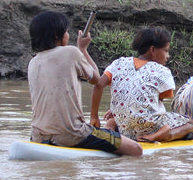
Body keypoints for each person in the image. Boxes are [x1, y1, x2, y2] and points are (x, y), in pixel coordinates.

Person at [26, 11, 142, 156]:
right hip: (72, 133)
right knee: (136, 150)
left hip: (37, 136)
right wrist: (83, 49)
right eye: (66, 31)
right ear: (57, 35)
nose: (68, 35)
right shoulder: (70, 52)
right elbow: (96, 80)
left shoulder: (33, 62)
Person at [90, 27, 193, 142]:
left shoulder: (118, 63)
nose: (168, 56)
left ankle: (109, 129)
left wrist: (94, 116)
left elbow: (99, 85)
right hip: (148, 128)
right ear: (153, 50)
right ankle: (166, 134)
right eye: (166, 50)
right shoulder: (162, 71)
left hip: (124, 127)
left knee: (114, 118)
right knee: (190, 124)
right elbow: (156, 102)